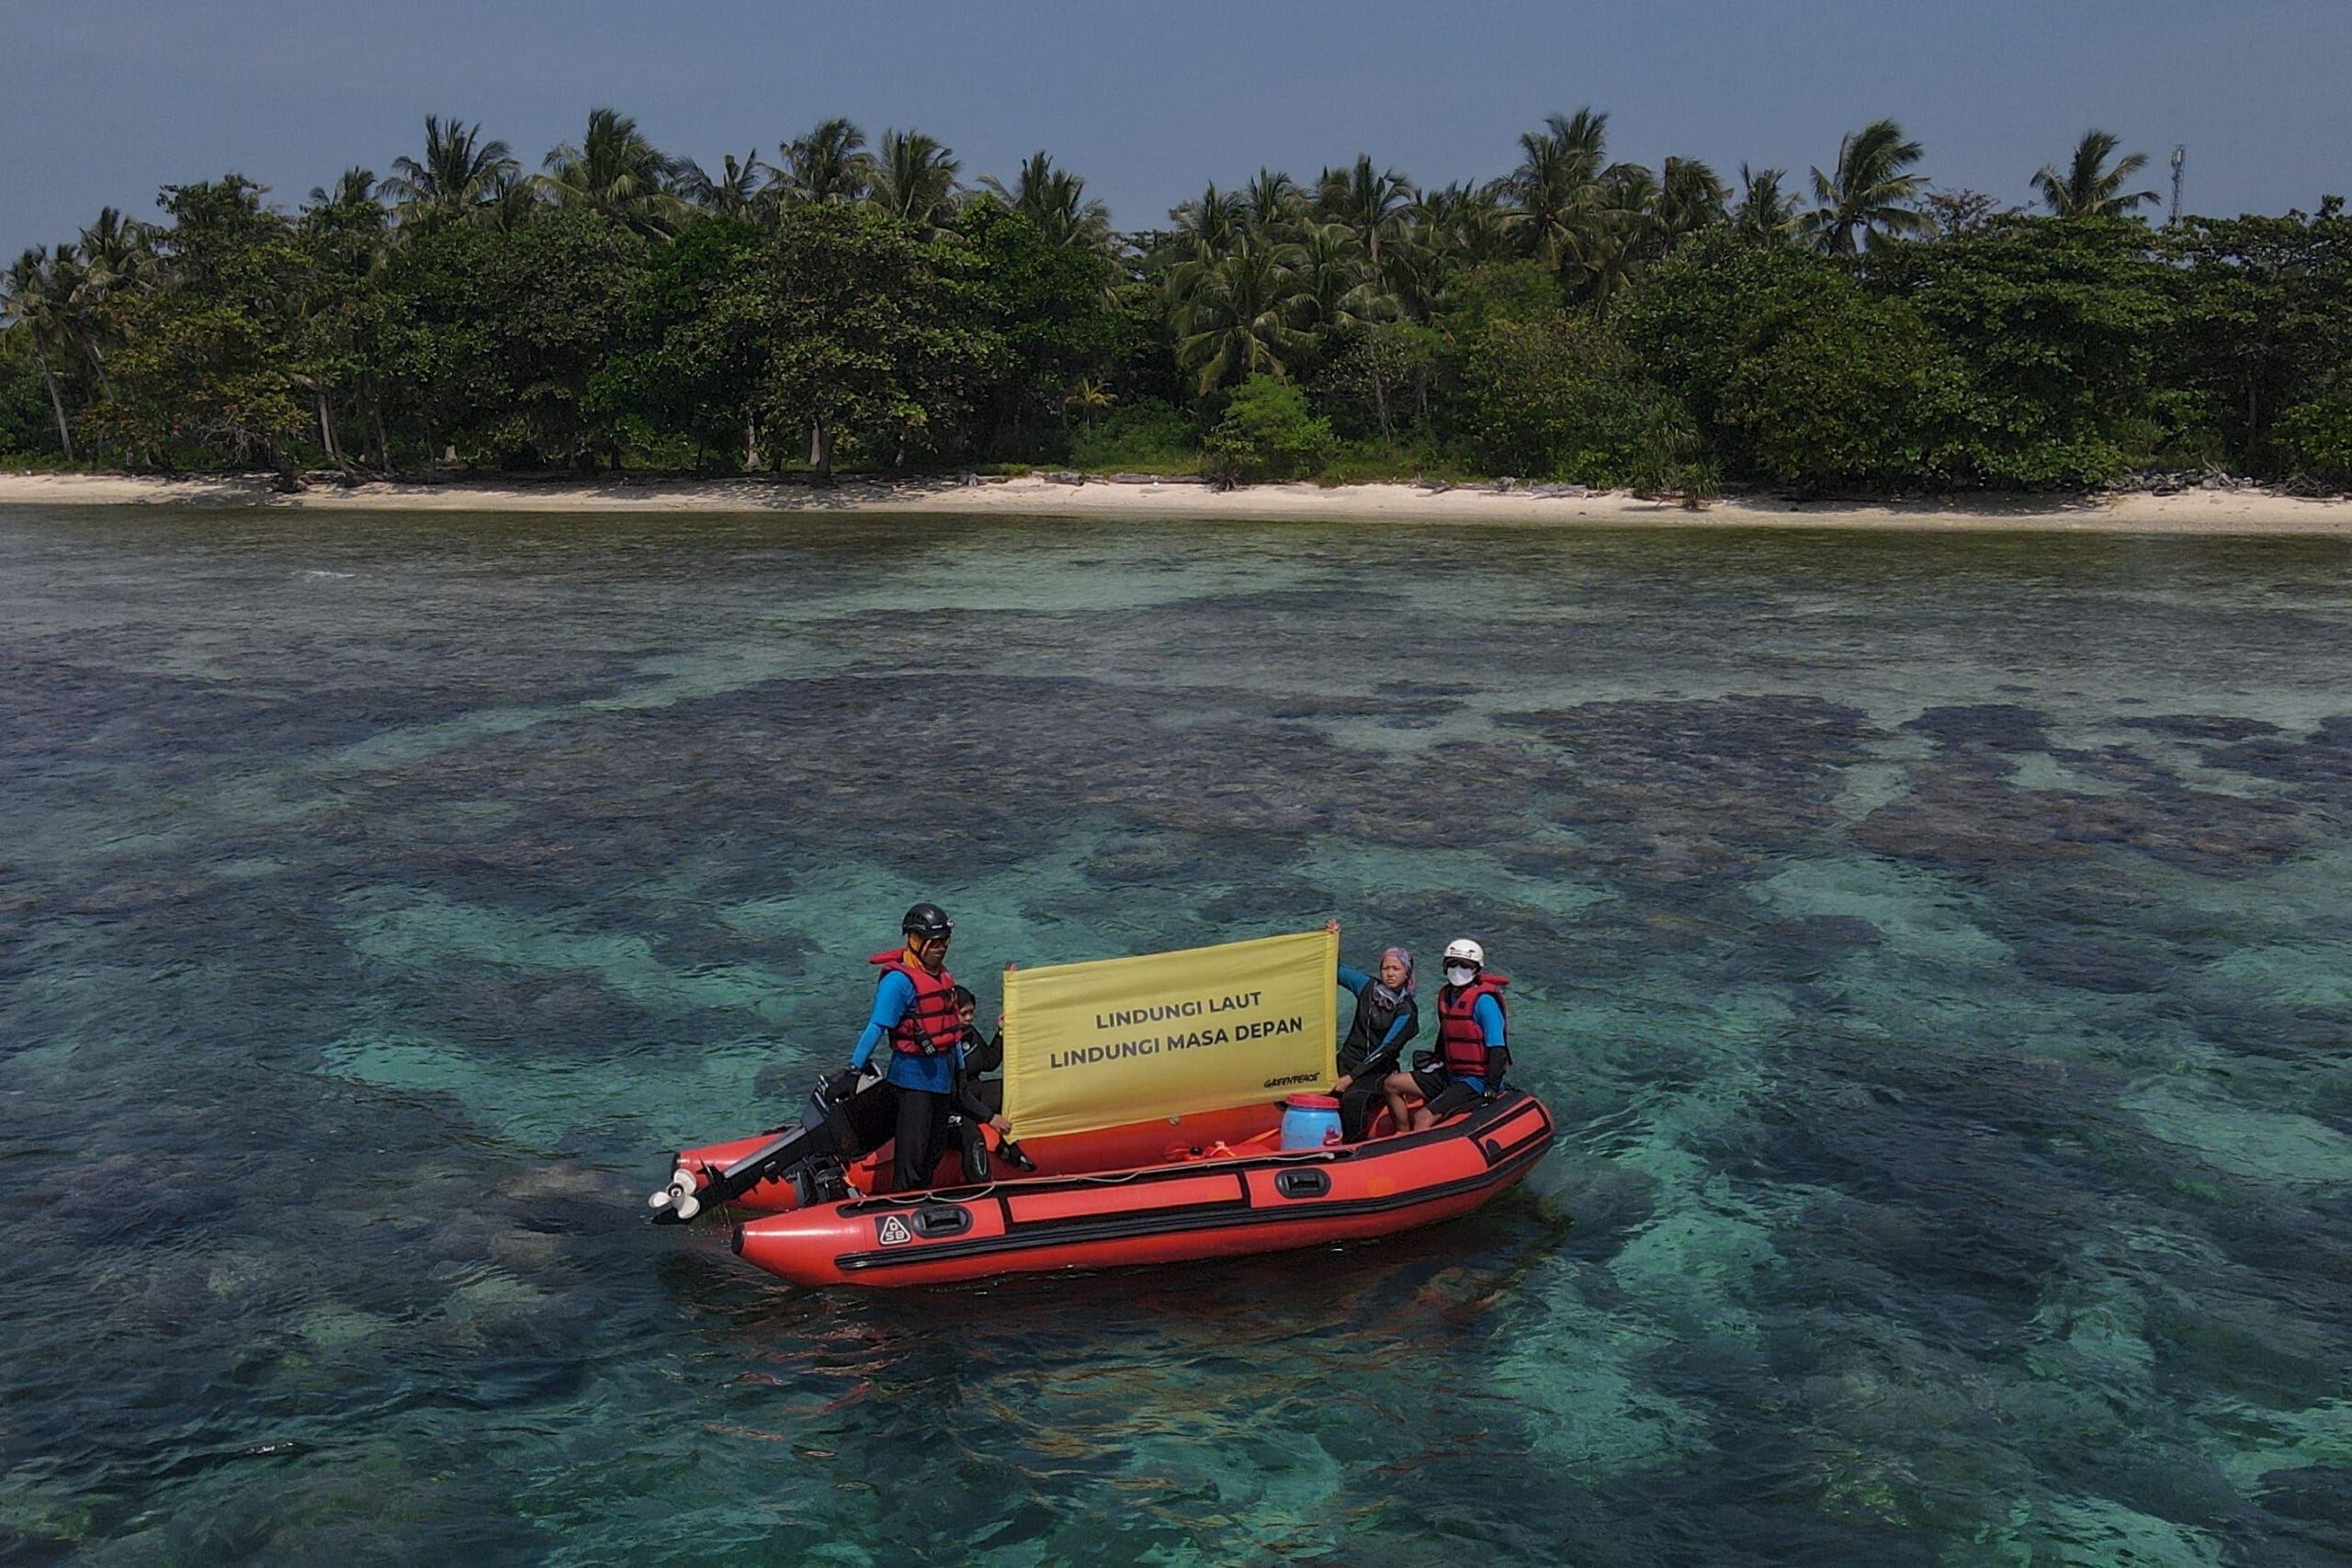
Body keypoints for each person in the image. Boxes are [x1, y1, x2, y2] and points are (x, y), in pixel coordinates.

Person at [848, 902, 967, 1192]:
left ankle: (922, 1198)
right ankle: (905, 1203)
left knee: (934, 1150)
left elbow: (951, 1030)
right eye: (933, 942)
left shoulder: (943, 976)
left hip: (942, 1080)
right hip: (912, 1083)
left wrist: (961, 1072)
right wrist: (853, 1069)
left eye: (944, 942)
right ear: (914, 941)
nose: (940, 948)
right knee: (913, 1154)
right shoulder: (899, 982)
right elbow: (877, 1026)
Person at [1385, 937, 1507, 1132]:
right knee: (1392, 1084)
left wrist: (1491, 1087)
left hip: (1476, 1080)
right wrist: (1436, 1058)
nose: (1458, 969)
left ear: (1476, 969)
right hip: (1450, 1073)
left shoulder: (1485, 1003)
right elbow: (1447, 1033)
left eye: (1465, 965)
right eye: (1452, 964)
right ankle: (1402, 1134)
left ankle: (1416, 1154)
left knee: (1423, 1117)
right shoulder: (1446, 996)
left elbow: (1498, 1049)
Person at [1324, 919, 1419, 1141]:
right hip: (1347, 1060)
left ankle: (1352, 1146)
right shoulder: (1367, 987)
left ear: (1407, 973)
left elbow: (1386, 1049)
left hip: (1377, 1071)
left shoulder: (1407, 1011)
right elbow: (1333, 971)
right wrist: (1333, 940)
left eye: (1396, 969)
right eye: (1385, 968)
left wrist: (1350, 1077)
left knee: (1352, 1097)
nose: (1390, 973)